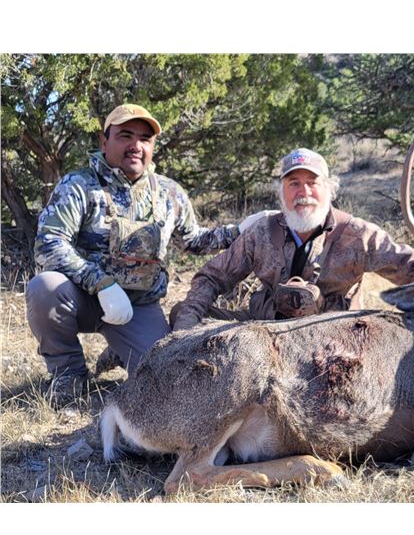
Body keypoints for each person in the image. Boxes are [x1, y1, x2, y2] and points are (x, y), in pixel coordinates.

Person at [26, 103, 268, 407]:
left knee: (165, 381)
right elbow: (49, 244)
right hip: (83, 298)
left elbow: (192, 240)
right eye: (125, 136)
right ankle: (69, 374)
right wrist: (101, 284)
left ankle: (120, 350)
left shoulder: (169, 192)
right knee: (44, 288)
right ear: (104, 141)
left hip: (138, 307)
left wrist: (238, 230)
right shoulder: (78, 186)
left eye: (145, 139)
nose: (136, 146)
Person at [171, 147, 414, 330]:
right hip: (264, 333)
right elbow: (212, 277)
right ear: (281, 191)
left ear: (329, 189)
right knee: (182, 312)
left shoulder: (357, 234)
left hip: (333, 338)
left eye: (312, 183)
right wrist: (185, 330)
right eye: (293, 183)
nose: (303, 192)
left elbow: (410, 264)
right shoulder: (261, 232)